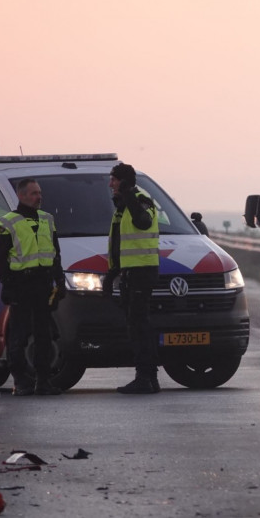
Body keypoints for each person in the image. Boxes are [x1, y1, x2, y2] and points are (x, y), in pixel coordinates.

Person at [0, 178, 66, 396]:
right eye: (34, 193)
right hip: (21, 284)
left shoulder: (47, 219)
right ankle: (21, 381)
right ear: (22, 196)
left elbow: (55, 254)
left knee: (44, 336)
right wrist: (7, 285)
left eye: (39, 193)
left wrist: (60, 281)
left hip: (43, 283)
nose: (39, 197)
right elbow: (1, 259)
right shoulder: (8, 222)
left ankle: (43, 381)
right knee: (19, 335)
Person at [105, 163, 161, 394]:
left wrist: (128, 195)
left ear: (125, 182)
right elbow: (120, 241)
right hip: (130, 270)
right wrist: (112, 273)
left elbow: (144, 222)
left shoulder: (139, 198)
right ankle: (149, 378)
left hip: (142, 270)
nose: (110, 184)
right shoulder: (123, 205)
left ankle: (145, 377)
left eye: (114, 180)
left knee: (140, 325)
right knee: (136, 324)